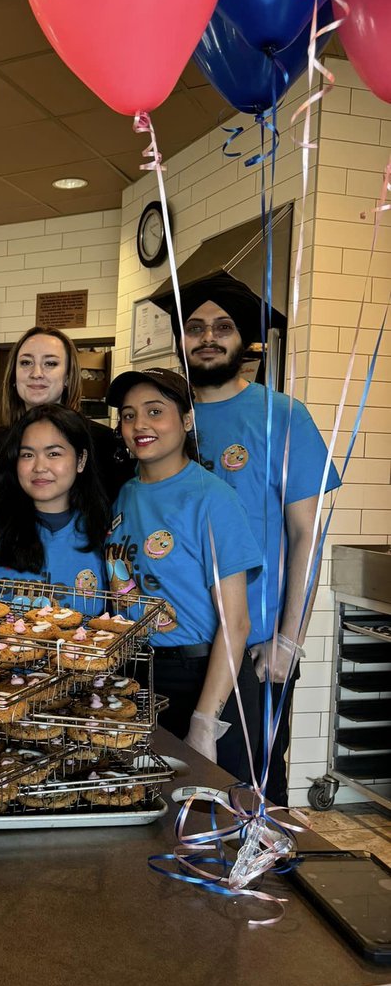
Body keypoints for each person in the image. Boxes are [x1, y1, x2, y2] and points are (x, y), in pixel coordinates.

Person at [151, 271, 341, 803]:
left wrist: (289, 637)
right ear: (179, 339)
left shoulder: (282, 416)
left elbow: (307, 534)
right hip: (167, 649)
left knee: (250, 796)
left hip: (253, 651)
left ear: (244, 341)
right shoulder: (160, 418)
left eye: (223, 326)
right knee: (167, 798)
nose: (207, 337)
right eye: (194, 327)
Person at [105, 368, 262, 781]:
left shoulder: (213, 498)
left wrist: (205, 720)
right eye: (128, 415)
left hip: (204, 677)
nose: (140, 425)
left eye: (155, 411)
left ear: (187, 419)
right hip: (140, 675)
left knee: (214, 817)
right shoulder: (125, 492)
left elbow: (236, 622)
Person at [0, 404, 109, 608]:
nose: (40, 467)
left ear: (81, 460)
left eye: (54, 454)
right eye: (27, 455)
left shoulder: (102, 532)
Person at [0, 326, 134, 503]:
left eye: (50, 363)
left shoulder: (102, 443)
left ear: (67, 376)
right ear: (13, 376)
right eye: (26, 363)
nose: (36, 373)